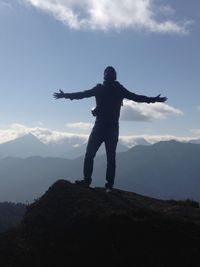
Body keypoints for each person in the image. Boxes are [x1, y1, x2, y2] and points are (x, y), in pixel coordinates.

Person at [53, 66, 167, 192]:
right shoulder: (118, 89)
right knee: (110, 158)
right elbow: (137, 97)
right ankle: (108, 185)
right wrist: (154, 100)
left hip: (100, 126)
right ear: (115, 76)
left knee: (91, 155)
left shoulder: (100, 88)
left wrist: (65, 96)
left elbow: (82, 94)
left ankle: (87, 181)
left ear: (104, 75)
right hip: (111, 128)